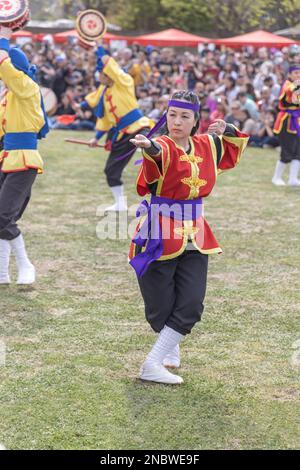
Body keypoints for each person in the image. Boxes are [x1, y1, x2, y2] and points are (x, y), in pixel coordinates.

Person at [128, 90, 249, 385]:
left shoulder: (206, 144)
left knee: (192, 304)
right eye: (172, 115)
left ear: (196, 120)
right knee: (160, 307)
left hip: (196, 235)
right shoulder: (163, 145)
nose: (177, 122)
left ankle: (152, 364)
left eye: (184, 116)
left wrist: (228, 129)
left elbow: (233, 150)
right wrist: (149, 147)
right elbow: (159, 153)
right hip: (160, 233)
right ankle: (169, 348)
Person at [0, 26, 49, 285]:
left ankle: (25, 264)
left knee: (3, 216)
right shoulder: (8, 97)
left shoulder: (27, 87)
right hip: (7, 158)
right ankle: (2, 274)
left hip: (24, 161)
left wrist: (4, 36)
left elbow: (3, 64)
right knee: (3, 218)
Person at [80, 46, 150, 212]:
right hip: (121, 133)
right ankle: (120, 203)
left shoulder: (124, 81)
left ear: (108, 73)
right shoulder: (104, 93)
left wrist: (98, 47)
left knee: (149, 143)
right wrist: (96, 138)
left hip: (139, 126)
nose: (98, 77)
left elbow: (114, 67)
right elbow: (105, 120)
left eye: (101, 73)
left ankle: (148, 148)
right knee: (111, 169)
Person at [272, 65, 300, 186]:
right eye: (295, 73)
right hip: (286, 121)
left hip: (297, 121)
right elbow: (290, 92)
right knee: (287, 150)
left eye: (299, 73)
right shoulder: (287, 85)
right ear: (289, 75)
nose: (298, 75)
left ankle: (293, 179)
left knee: (298, 151)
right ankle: (276, 177)